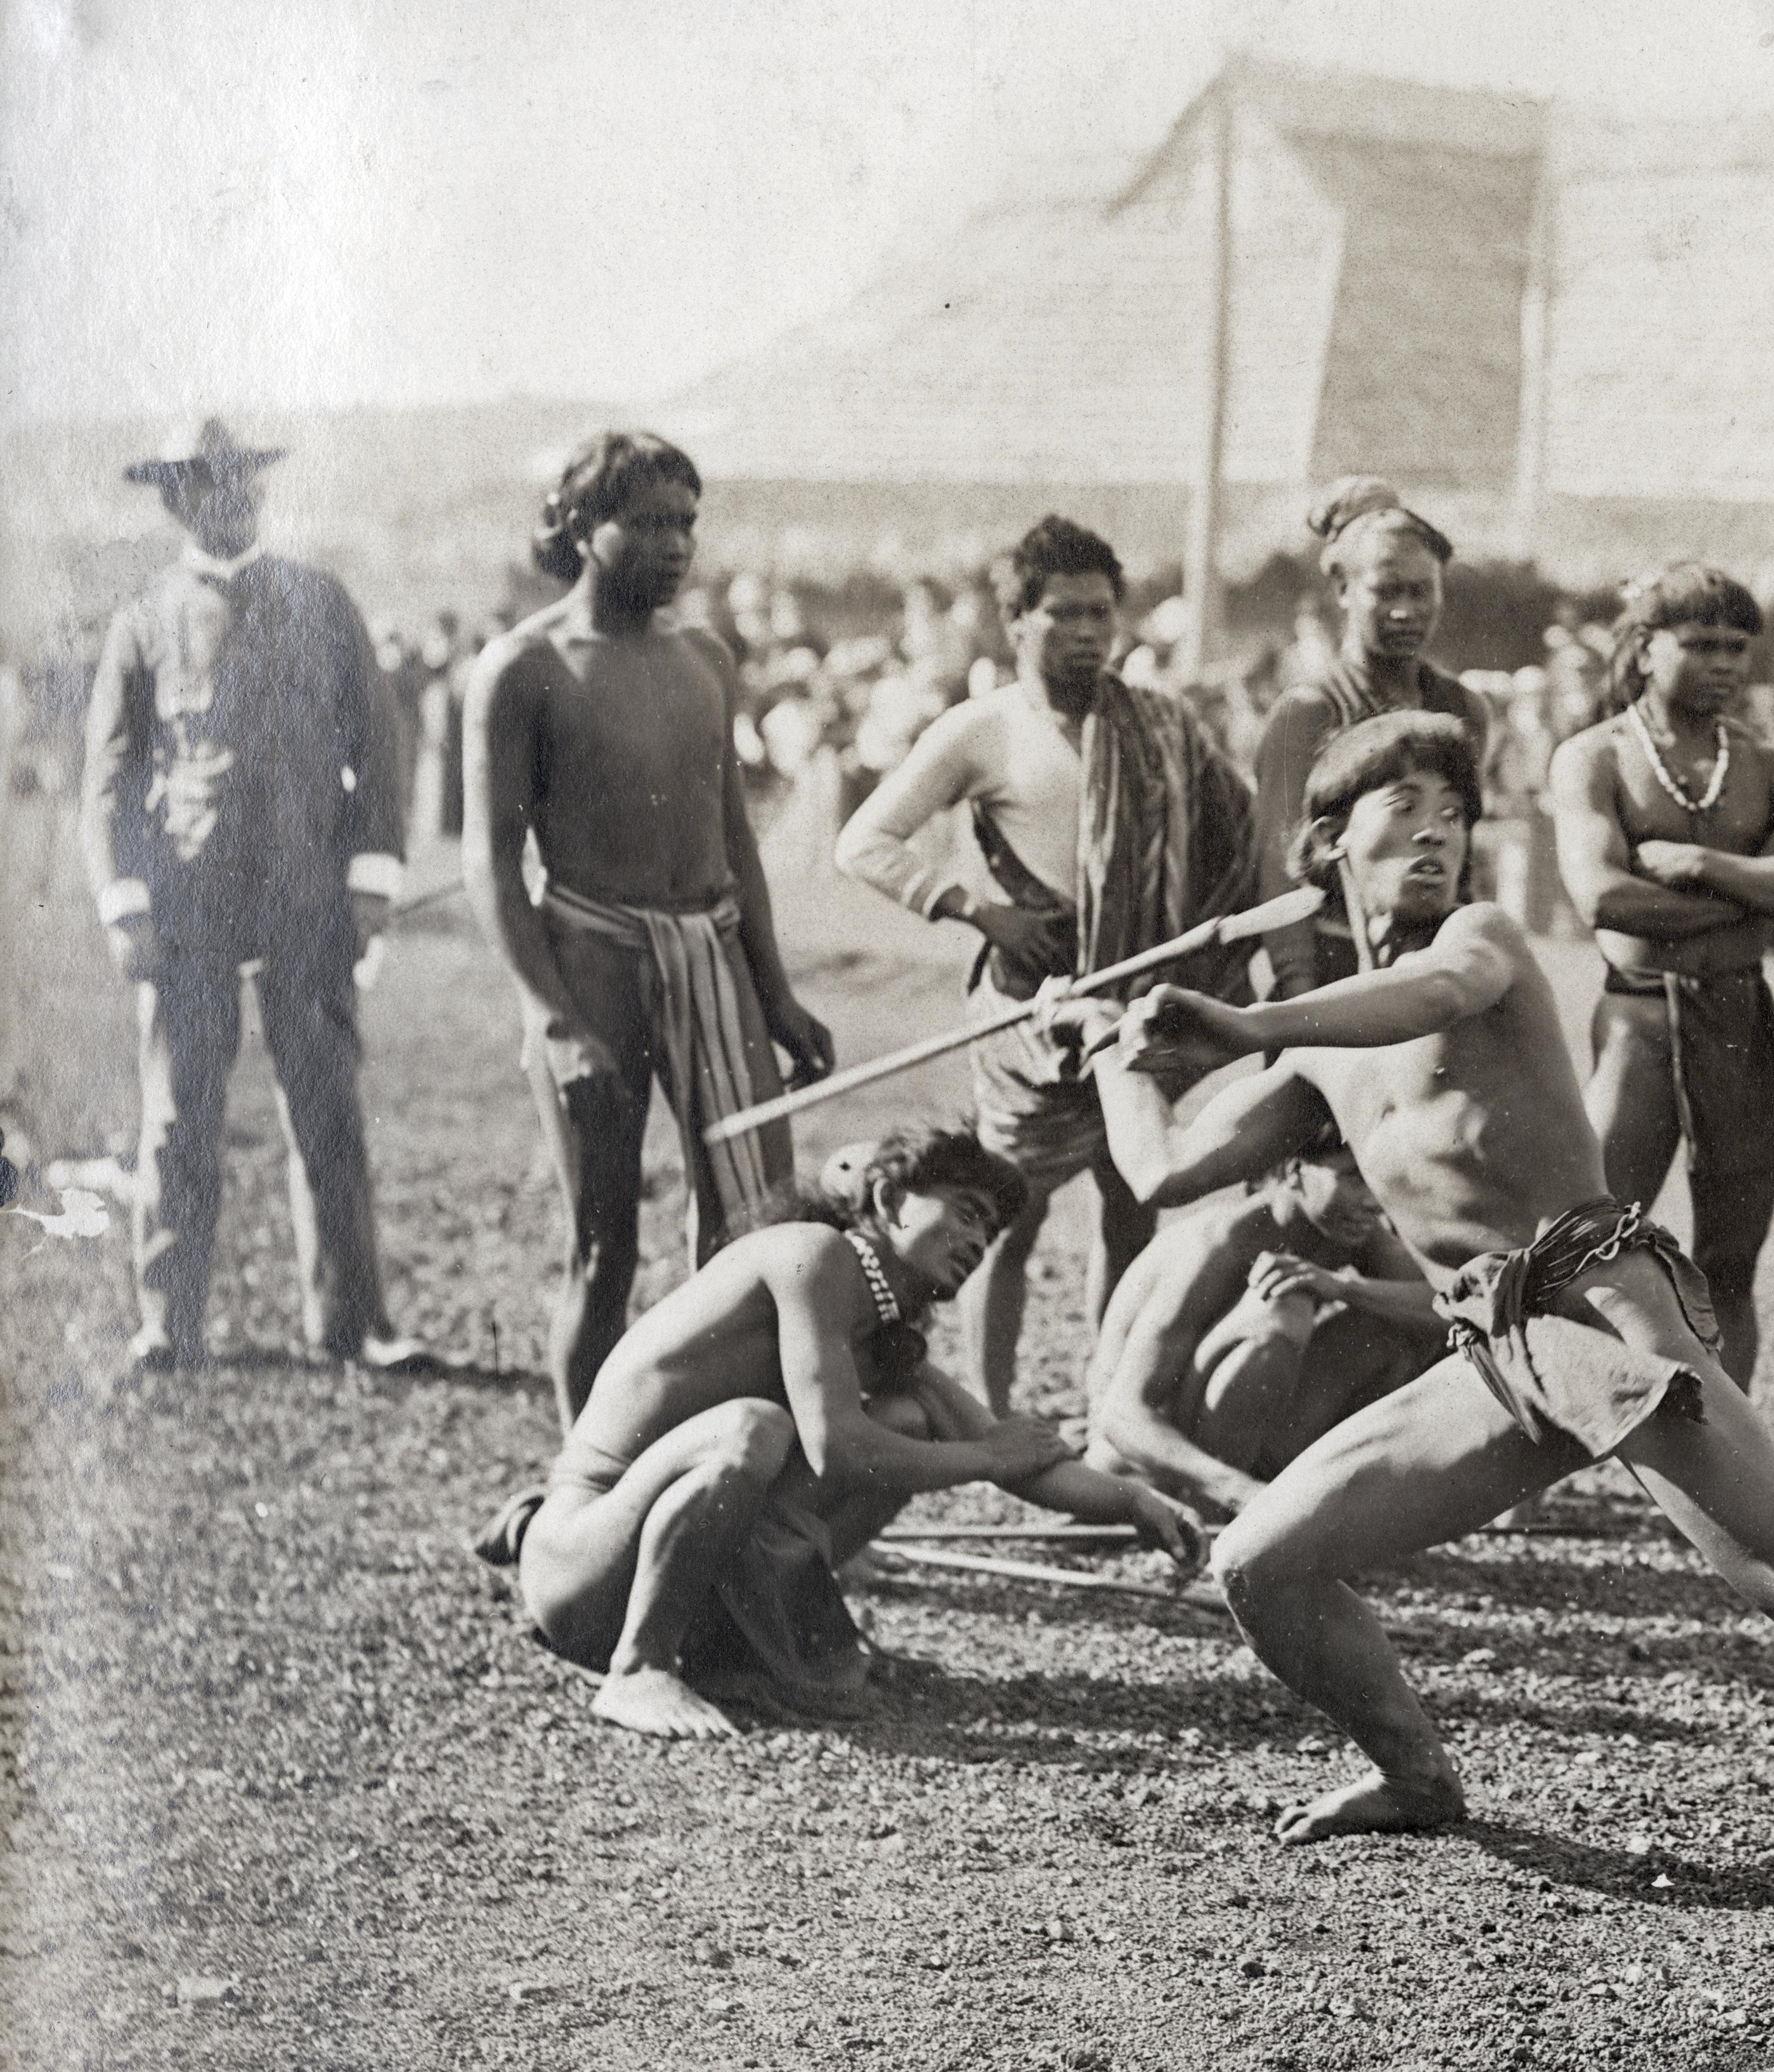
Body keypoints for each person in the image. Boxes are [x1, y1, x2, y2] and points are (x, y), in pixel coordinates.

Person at [1080, 709, 1774, 1995]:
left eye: (1456, 810)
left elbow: (1430, 996)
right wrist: (1109, 1046)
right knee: (1261, 1561)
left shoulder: (1472, 942)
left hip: (1601, 1299)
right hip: (1489, 1350)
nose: (1441, 832)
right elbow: (1161, 1167)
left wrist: (1245, 1022)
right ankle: (1415, 1773)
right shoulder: (1314, 1046)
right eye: (1404, 815)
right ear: (1325, 846)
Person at [502, 1125, 1202, 1741]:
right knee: (754, 1428)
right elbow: (838, 1447)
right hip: (580, 1569)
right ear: (891, 1200)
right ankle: (638, 1670)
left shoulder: (883, 1321)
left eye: (989, 1236)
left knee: (910, 1417)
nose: (977, 1244)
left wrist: (1138, 1504)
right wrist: (982, 1459)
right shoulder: (814, 1257)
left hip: (652, 1575)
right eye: (965, 1214)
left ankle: (753, 1650)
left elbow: (1015, 1453)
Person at [835, 514, 1260, 1411]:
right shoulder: (980, 730)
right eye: (1065, 613)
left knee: (1131, 1203)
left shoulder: (1162, 723)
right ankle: (991, 1411)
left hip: (1136, 1006)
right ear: (1016, 620)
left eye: (1103, 613)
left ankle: (1113, 1401)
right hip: (1026, 1018)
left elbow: (1241, 831)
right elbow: (865, 843)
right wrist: (976, 908)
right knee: (1006, 1218)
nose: (1089, 634)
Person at [465, 431, 838, 1424]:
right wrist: (555, 1022)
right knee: (605, 1245)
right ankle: (589, 1483)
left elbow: (735, 842)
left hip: (713, 954)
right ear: (583, 527)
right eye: (651, 522)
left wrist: (777, 993)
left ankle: (726, 1457)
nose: (677, 544)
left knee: (756, 1229)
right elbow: (492, 868)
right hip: (592, 963)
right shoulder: (523, 668)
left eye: (688, 522)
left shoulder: (709, 655)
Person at [80, 417, 423, 1375]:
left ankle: (353, 1324)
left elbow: (381, 751)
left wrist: (370, 879)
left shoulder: (322, 600)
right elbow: (108, 780)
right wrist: (124, 901)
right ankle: (167, 1323)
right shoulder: (145, 618)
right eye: (211, 486)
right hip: (187, 909)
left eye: (245, 483)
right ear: (176, 502)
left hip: (308, 899)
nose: (235, 499)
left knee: (328, 1110)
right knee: (179, 1116)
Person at [1548, 564, 1774, 1387]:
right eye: (1702, 644)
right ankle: (1554, 1449)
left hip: (1741, 1021)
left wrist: (1700, 863)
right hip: (1639, 1019)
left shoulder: (1773, 764)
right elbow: (1604, 896)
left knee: (1731, 1262)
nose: (1725, 664)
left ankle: (1728, 1461)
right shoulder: (1592, 757)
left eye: (1738, 647)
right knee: (1591, 1245)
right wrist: (1753, 899)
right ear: (1643, 650)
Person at [1083, 1132, 1443, 1518]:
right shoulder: (1217, 1245)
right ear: (1294, 1171)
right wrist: (1237, 1491)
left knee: (1392, 1330)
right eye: (1353, 1177)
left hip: (1229, 1447)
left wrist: (1343, 1286)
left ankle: (1306, 1501)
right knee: (1282, 1309)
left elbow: (1449, 1307)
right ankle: (1227, 1515)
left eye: (1378, 1177)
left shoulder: (1352, 1229)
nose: (1374, 1201)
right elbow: (1121, 1416)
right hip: (1142, 1470)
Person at [1249, 480, 1489, 999]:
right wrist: (1301, 994)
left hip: (1430, 970)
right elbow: (1280, 870)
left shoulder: (1464, 709)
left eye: (1421, 591)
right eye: (1386, 591)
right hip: (1328, 969)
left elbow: (1462, 863)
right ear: (1344, 591)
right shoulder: (1308, 712)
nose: (1405, 611)